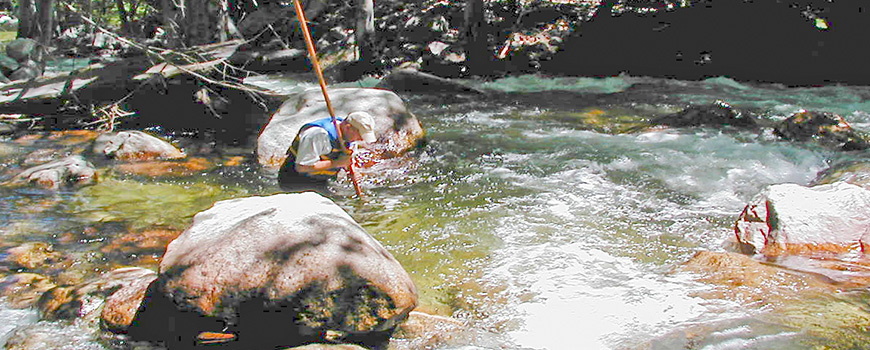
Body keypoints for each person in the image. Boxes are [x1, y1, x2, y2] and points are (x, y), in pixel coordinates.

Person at [278, 111, 377, 194]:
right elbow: (302, 167)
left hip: (321, 181)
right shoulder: (317, 134)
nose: (361, 139)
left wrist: (352, 172)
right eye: (360, 134)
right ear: (348, 127)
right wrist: (337, 163)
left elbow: (345, 158)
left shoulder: (349, 137)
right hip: (294, 181)